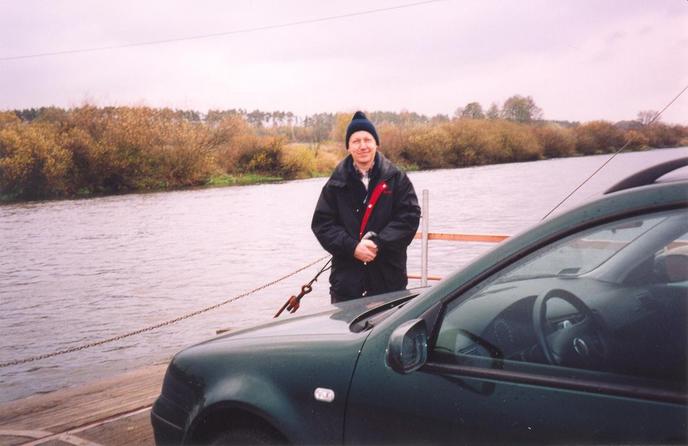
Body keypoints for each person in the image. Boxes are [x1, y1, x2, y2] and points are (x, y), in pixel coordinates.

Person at [311, 111, 421, 302]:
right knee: (347, 332)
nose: (363, 146)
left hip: (388, 282)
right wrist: (352, 247)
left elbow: (409, 217)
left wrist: (379, 243)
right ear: (348, 147)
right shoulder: (335, 184)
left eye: (367, 140)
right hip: (346, 285)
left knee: (388, 331)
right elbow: (322, 224)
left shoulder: (397, 179)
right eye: (356, 141)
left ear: (376, 144)